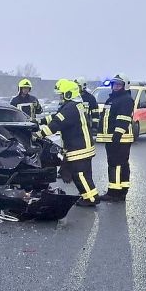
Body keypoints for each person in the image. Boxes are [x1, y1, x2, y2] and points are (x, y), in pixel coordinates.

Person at [39, 79, 99, 207]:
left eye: (61, 94)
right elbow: (56, 116)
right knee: (83, 175)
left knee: (80, 175)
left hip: (79, 148)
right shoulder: (74, 105)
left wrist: (40, 134)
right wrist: (41, 120)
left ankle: (92, 198)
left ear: (68, 94)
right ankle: (88, 195)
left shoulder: (70, 108)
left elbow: (56, 124)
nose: (60, 97)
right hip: (82, 146)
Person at [96, 73, 135, 202]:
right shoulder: (113, 99)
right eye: (114, 84)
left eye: (119, 84)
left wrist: (117, 136)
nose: (115, 86)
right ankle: (121, 191)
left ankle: (114, 192)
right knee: (121, 164)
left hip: (119, 138)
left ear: (125, 85)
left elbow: (123, 119)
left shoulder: (125, 99)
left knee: (116, 164)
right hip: (113, 137)